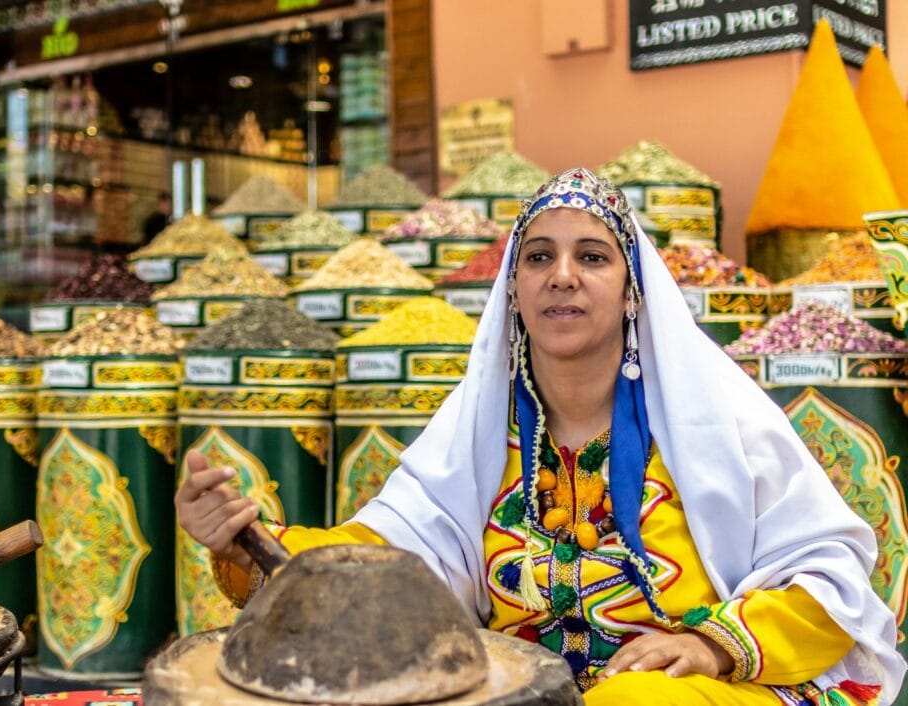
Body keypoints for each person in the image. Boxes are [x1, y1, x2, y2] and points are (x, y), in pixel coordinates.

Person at [177, 168, 905, 705]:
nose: (562, 276)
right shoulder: (481, 430)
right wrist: (245, 538)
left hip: (699, 692)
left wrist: (709, 644)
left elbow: (830, 575)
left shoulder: (716, 421)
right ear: (515, 292)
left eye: (592, 257)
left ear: (630, 292)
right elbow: (384, 560)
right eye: (538, 258)